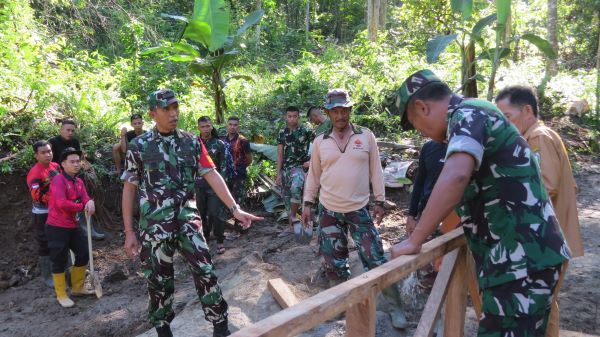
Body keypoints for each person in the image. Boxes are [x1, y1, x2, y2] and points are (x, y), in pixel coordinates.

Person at [391, 70, 570, 337]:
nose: (421, 132)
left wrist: (416, 239)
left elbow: (456, 175)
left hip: (519, 262)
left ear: (422, 107)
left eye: (415, 123)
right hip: (522, 259)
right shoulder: (479, 113)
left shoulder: (468, 115)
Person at [121, 89, 262, 337]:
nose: (173, 113)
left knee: (205, 271)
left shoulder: (190, 141)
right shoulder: (138, 146)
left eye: (175, 107)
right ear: (153, 114)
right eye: (166, 109)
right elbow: (129, 188)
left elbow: (211, 174)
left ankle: (220, 327)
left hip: (187, 220)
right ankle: (163, 330)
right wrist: (129, 232)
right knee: (158, 282)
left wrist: (235, 208)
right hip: (154, 226)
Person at [301, 89, 408, 329]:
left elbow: (376, 171)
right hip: (329, 210)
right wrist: (307, 203)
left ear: (350, 110)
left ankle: (395, 306)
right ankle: (339, 305)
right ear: (328, 112)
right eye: (335, 111)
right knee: (333, 263)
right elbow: (314, 176)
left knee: (375, 258)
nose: (340, 115)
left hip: (359, 209)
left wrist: (379, 200)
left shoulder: (366, 136)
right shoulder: (320, 141)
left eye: (344, 110)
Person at [495, 85, 584, 337]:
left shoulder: (538, 137)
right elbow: (569, 185)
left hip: (547, 239)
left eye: (507, 117)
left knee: (542, 305)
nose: (505, 124)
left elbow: (546, 184)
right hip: (552, 236)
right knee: (544, 302)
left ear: (527, 110)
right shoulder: (542, 135)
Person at [46, 147, 96, 308]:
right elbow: (61, 203)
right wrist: (82, 206)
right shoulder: (58, 180)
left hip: (73, 225)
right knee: (58, 260)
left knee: (83, 254)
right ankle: (61, 294)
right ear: (63, 164)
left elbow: (85, 197)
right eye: (72, 162)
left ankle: (78, 287)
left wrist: (89, 201)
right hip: (56, 227)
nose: (76, 164)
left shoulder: (78, 181)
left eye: (77, 161)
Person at [407, 140, 460, 279]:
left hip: (455, 216)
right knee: (423, 267)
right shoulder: (429, 147)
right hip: (427, 212)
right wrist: (411, 215)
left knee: (447, 268)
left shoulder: (464, 145)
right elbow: (419, 182)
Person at [26, 140, 61, 287]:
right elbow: (37, 196)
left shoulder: (56, 166)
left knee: (62, 240)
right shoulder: (35, 173)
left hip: (59, 211)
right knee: (44, 243)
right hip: (42, 214)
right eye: (43, 152)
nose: (48, 155)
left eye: (49, 151)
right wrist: (57, 200)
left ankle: (64, 269)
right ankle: (47, 276)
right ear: (36, 155)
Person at [196, 116, 232, 254]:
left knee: (215, 214)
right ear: (198, 128)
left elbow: (223, 168)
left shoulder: (219, 144)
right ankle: (204, 239)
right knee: (200, 214)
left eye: (208, 126)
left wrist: (222, 187)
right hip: (198, 185)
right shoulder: (195, 143)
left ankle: (219, 240)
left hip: (214, 187)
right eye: (203, 127)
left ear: (212, 126)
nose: (206, 129)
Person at [276, 106, 313, 236]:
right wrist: (278, 173)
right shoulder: (282, 132)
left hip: (299, 167)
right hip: (286, 168)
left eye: (294, 116)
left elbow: (319, 146)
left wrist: (312, 161)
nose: (292, 119)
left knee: (296, 190)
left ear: (298, 117)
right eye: (289, 116)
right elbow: (280, 154)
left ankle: (293, 216)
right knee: (287, 198)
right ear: (286, 117)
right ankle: (292, 227)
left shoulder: (306, 131)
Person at [220, 116, 253, 241]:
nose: (232, 126)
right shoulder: (222, 139)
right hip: (225, 175)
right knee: (227, 201)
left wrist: (240, 167)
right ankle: (229, 227)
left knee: (238, 201)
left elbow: (249, 159)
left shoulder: (243, 141)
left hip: (239, 175)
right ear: (226, 125)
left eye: (235, 125)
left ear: (238, 126)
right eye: (230, 124)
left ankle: (239, 229)